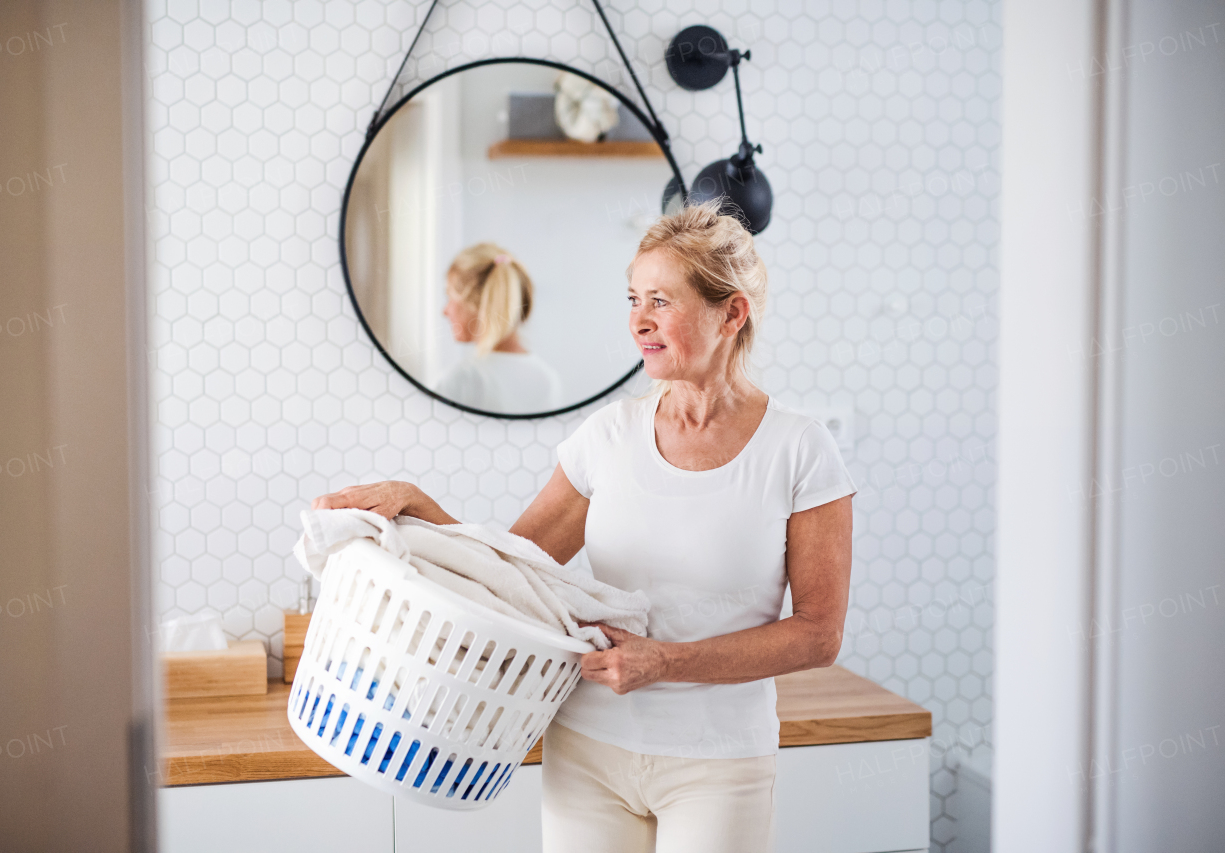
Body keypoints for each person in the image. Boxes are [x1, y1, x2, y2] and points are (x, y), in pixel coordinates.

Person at [313, 202, 857, 853]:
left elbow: (818, 635)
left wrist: (667, 663)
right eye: (633, 298)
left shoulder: (799, 449)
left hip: (718, 763)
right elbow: (516, 572)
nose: (640, 321)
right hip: (590, 749)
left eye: (661, 300)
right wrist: (422, 505)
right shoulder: (608, 435)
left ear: (731, 313)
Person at [434, 242, 563, 413]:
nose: (445, 311)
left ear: (475, 303)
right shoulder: (547, 379)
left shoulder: (462, 380)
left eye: (449, 296)